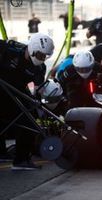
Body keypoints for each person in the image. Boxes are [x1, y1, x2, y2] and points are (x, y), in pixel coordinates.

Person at [0, 33, 54, 170]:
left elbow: (37, 88)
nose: (42, 59)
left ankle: (21, 159)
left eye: (45, 56)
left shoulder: (40, 67)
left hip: (17, 92)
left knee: (29, 119)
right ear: (32, 50)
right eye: (40, 55)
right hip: (1, 87)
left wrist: (37, 104)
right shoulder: (8, 49)